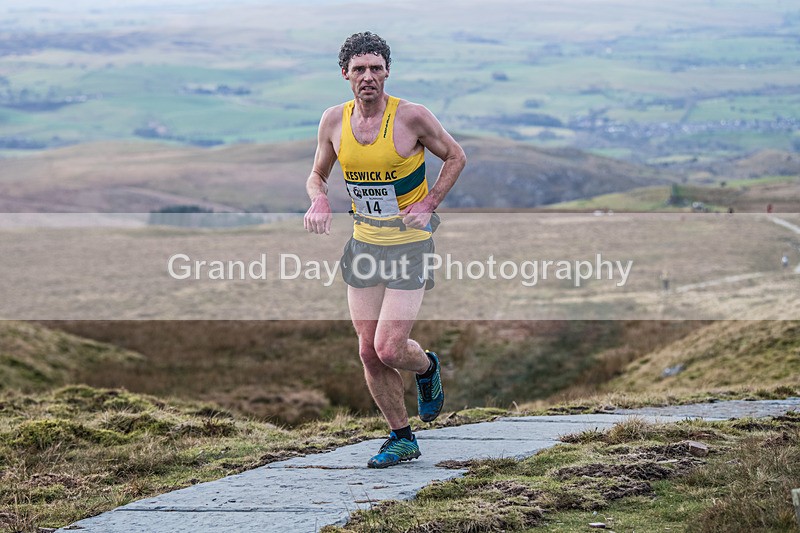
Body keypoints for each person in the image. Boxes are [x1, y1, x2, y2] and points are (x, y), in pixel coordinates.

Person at [303, 32, 466, 468]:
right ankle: (402, 437)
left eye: (376, 68)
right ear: (345, 75)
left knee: (391, 348)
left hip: (411, 245)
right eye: (359, 69)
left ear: (387, 71)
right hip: (364, 245)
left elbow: (455, 156)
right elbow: (317, 174)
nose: (368, 77)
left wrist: (430, 202)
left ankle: (427, 368)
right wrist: (318, 198)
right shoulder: (333, 121)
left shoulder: (411, 117)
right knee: (367, 350)